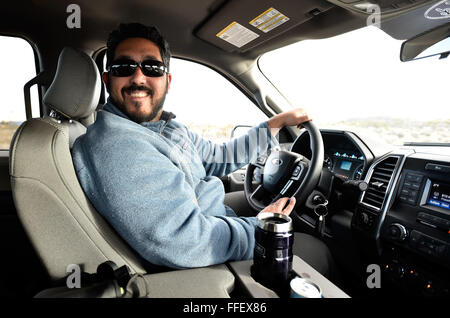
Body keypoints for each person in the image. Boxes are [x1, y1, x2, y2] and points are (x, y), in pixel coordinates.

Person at [72, 23, 335, 278]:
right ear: (107, 79)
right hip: (200, 263)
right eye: (124, 67)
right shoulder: (119, 146)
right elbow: (185, 242)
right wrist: (260, 228)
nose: (138, 78)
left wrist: (275, 123)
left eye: (152, 67)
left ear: (167, 80)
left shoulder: (165, 127)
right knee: (318, 250)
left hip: (209, 220)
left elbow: (218, 158)